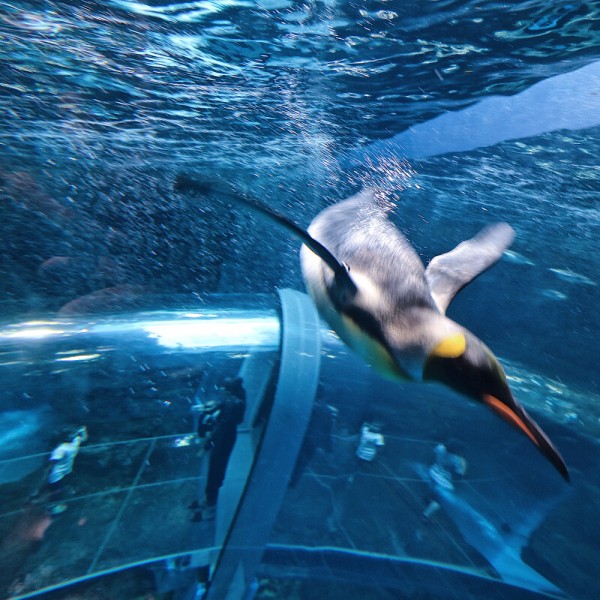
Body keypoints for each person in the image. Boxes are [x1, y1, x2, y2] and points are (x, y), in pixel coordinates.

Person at [190, 377, 246, 522]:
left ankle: (210, 507)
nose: (221, 390)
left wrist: (207, 443)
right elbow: (229, 412)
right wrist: (216, 407)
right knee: (217, 470)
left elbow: (222, 426)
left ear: (228, 389)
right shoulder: (238, 397)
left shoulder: (232, 404)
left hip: (223, 439)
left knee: (215, 471)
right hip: (227, 437)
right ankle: (208, 498)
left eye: (223, 388)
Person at [34, 426, 88, 515]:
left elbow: (51, 464)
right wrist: (83, 431)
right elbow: (84, 438)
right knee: (57, 490)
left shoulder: (67, 446)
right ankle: (51, 506)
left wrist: (83, 431)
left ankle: (52, 506)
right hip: (61, 473)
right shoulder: (67, 446)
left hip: (61, 473)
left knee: (56, 490)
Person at [422, 442, 467, 521]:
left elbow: (434, 451)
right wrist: (464, 464)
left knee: (433, 488)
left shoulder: (441, 448)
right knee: (439, 500)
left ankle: (428, 498)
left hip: (433, 472)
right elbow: (460, 474)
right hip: (443, 482)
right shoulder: (456, 459)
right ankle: (425, 515)